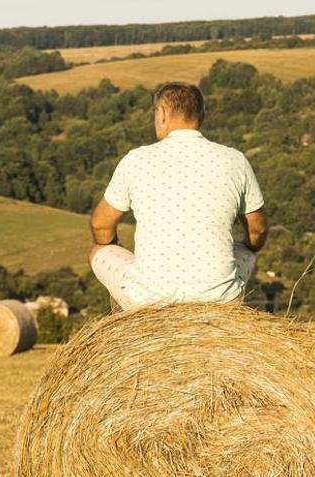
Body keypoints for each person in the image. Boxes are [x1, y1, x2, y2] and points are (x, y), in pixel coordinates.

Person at [88, 81, 268, 311]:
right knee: (248, 253)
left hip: (146, 300)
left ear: (162, 114)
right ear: (202, 116)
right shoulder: (235, 160)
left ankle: (123, 319)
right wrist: (244, 247)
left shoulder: (135, 160)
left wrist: (114, 245)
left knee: (100, 250)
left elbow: (100, 225)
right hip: (219, 301)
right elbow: (258, 231)